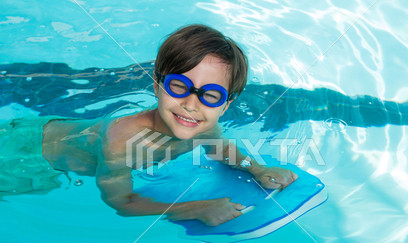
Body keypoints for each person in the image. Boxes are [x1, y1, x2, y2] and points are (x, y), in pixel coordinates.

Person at [0, 24, 297, 226]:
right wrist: (191, 209)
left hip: (53, 127)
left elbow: (219, 149)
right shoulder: (122, 139)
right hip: (27, 155)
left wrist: (257, 169)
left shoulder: (203, 126)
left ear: (226, 104)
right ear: (156, 85)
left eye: (210, 95)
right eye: (179, 86)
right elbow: (121, 203)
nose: (191, 105)